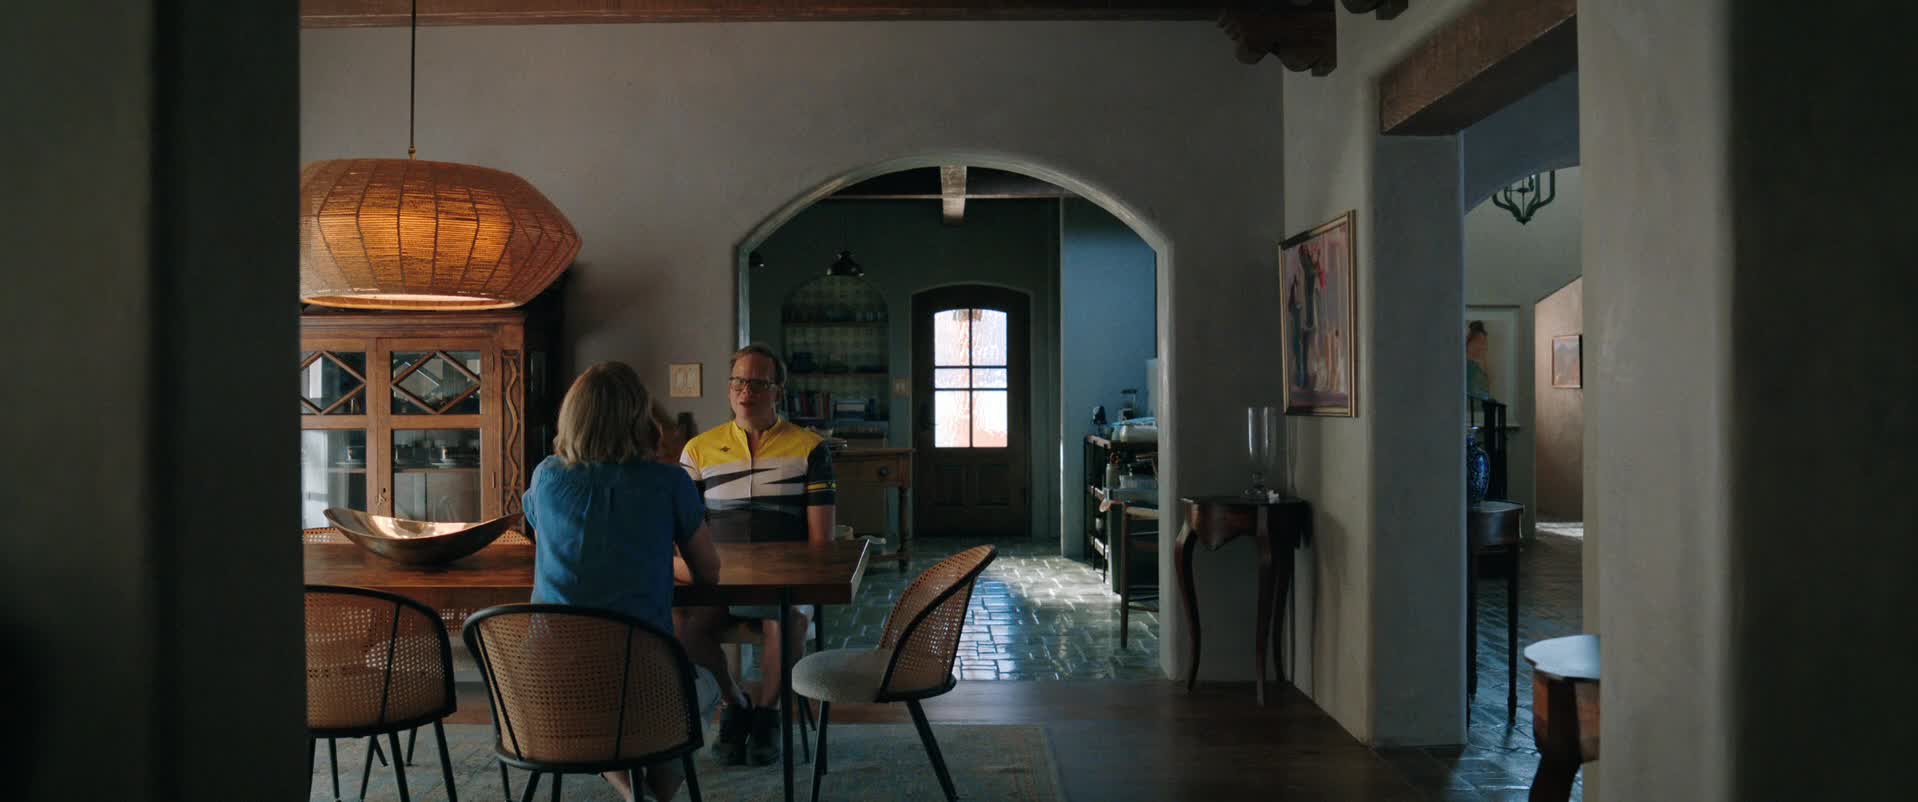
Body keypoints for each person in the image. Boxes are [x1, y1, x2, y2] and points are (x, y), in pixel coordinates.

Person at [521, 362, 743, 802]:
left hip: (544, 690)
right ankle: (649, 792)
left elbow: (549, 539)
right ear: (641, 418)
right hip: (640, 683)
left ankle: (630, 788)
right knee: (700, 688)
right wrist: (661, 560)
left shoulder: (546, 477)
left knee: (605, 709)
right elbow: (708, 573)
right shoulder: (669, 482)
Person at [678, 343, 836, 767]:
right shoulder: (697, 450)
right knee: (683, 627)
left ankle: (768, 715)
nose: (746, 391)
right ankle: (735, 704)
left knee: (786, 621)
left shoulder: (810, 448)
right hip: (719, 581)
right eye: (738, 382)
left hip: (785, 584)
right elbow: (686, 531)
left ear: (778, 391)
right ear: (729, 389)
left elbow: (821, 541)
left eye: (758, 383)